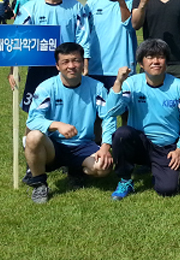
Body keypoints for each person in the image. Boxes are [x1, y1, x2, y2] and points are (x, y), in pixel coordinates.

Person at [24, 42, 115, 204]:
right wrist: (57, 125)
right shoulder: (46, 88)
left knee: (104, 168)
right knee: (33, 137)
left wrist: (105, 146)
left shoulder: (96, 87)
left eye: (76, 60)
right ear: (57, 66)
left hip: (84, 145)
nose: (71, 66)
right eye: (65, 62)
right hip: (54, 146)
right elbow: (33, 119)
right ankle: (39, 184)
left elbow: (108, 117)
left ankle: (76, 169)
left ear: (83, 63)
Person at [106, 39, 180, 200]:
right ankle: (125, 180)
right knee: (122, 133)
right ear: (141, 63)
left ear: (167, 62)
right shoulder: (132, 83)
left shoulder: (179, 87)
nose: (155, 61)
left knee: (168, 189)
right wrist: (118, 82)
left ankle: (161, 169)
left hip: (166, 147)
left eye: (160, 57)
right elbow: (113, 111)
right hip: (139, 144)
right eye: (149, 57)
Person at [10, 0, 91, 114]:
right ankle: (33, 139)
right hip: (39, 67)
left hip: (68, 66)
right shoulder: (29, 8)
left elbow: (83, 37)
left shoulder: (76, 7)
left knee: (68, 108)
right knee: (35, 110)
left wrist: (85, 62)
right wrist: (12, 70)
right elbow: (17, 39)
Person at [84, 0, 137, 90]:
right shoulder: (92, 3)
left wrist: (120, 0)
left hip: (124, 67)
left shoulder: (134, 2)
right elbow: (84, 34)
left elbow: (131, 26)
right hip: (96, 67)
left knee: (124, 109)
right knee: (96, 109)